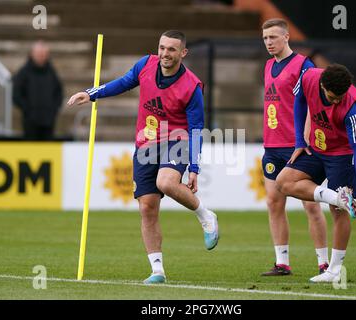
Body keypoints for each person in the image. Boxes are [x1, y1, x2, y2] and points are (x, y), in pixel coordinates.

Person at [67, 30, 219, 284]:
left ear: (183, 53)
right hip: (145, 144)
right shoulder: (145, 65)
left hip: (176, 140)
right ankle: (157, 270)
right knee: (147, 207)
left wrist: (194, 167)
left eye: (171, 49)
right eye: (162, 47)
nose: (164, 54)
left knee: (167, 183)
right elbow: (122, 83)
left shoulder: (192, 87)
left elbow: (195, 129)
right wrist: (91, 94)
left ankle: (205, 215)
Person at [276, 63, 356, 282]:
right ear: (322, 85)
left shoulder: (352, 107)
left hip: (341, 156)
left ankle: (335, 271)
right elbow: (298, 102)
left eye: (340, 97)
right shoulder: (308, 77)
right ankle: (337, 197)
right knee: (283, 182)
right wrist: (300, 140)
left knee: (338, 212)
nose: (336, 101)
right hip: (316, 149)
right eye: (331, 96)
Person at [261, 18, 328, 276]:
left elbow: (313, 103)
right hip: (272, 145)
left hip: (297, 146)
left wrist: (305, 139)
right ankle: (282, 263)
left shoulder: (303, 65)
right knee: (273, 202)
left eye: (274, 37)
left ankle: (323, 263)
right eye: (265, 38)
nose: (269, 42)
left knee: (311, 205)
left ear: (287, 37)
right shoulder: (268, 65)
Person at [13, 40, 63, 140]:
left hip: (48, 120)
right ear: (32, 54)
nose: (41, 56)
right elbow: (16, 94)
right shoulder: (24, 72)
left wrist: (53, 110)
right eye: (39, 54)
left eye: (43, 54)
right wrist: (28, 109)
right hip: (30, 121)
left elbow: (59, 92)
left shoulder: (51, 72)